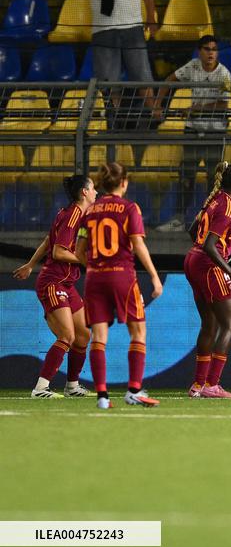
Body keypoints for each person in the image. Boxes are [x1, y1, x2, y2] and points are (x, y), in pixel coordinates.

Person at [74, 162, 162, 409]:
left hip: (95, 278)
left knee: (98, 337)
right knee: (138, 332)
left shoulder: (89, 212)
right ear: (124, 182)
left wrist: (92, 265)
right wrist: (154, 277)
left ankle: (102, 397)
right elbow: (139, 244)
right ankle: (134, 390)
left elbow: (79, 251)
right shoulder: (130, 208)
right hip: (122, 276)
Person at [13, 175, 98, 398]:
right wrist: (87, 261)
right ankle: (40, 388)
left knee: (83, 336)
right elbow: (59, 251)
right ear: (84, 193)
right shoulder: (73, 216)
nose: (96, 192)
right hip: (53, 282)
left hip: (67, 284)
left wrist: (31, 264)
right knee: (67, 336)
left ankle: (72, 386)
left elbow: (48, 241)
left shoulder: (69, 214)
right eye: (93, 188)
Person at [78, 0, 157, 129]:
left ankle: (156, 121)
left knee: (142, 76)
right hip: (104, 29)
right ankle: (113, 122)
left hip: (132, 26)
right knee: (108, 81)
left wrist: (151, 18)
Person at [154, 35, 231, 231]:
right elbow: (168, 81)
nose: (211, 52)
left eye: (214, 49)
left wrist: (196, 108)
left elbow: (223, 105)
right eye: (207, 49)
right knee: (186, 175)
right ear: (200, 51)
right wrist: (157, 105)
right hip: (193, 129)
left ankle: (211, 221)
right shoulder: (192, 66)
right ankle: (179, 219)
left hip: (215, 132)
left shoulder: (225, 74)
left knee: (212, 178)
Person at [184, 162, 231, 399]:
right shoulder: (228, 207)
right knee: (230, 324)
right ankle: (212, 384)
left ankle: (198, 385)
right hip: (208, 265)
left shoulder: (214, 199)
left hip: (192, 259)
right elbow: (211, 246)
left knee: (209, 323)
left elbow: (193, 230)